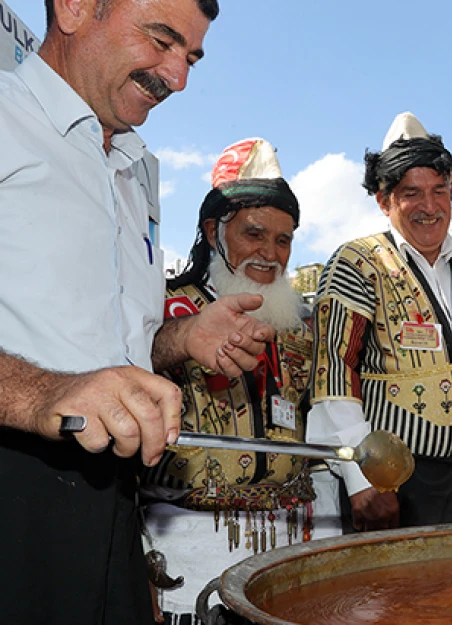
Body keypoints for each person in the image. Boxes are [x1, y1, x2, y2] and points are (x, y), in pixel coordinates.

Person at [0, 2, 277, 623]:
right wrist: (42, 394)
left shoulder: (135, 167)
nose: (176, 78)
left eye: (192, 58)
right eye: (161, 40)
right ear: (74, 7)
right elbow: (64, 383)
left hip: (113, 503)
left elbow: (112, 354)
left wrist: (180, 338)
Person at [141, 138, 343, 622]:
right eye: (254, 234)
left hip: (288, 552)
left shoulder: (299, 327)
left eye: (283, 239)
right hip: (182, 553)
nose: (270, 253)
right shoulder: (161, 309)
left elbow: (316, 442)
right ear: (214, 232)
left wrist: (330, 548)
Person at [307, 113, 452, 530]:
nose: (430, 207)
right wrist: (363, 479)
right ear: (384, 200)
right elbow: (334, 373)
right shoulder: (357, 263)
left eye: (440, 190)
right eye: (411, 193)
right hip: (398, 485)